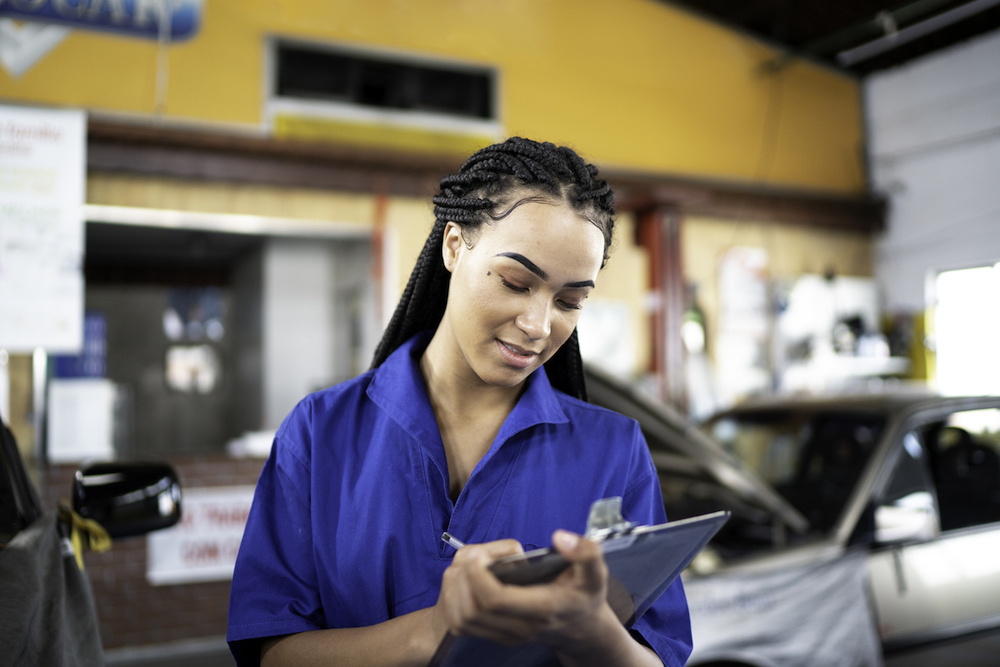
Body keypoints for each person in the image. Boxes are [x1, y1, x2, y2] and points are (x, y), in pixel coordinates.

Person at [226, 137, 692, 667]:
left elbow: (658, 652)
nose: (539, 326)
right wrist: (429, 632)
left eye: (569, 301)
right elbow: (273, 652)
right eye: (516, 283)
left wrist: (593, 635)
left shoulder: (613, 450)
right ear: (453, 245)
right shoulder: (321, 431)